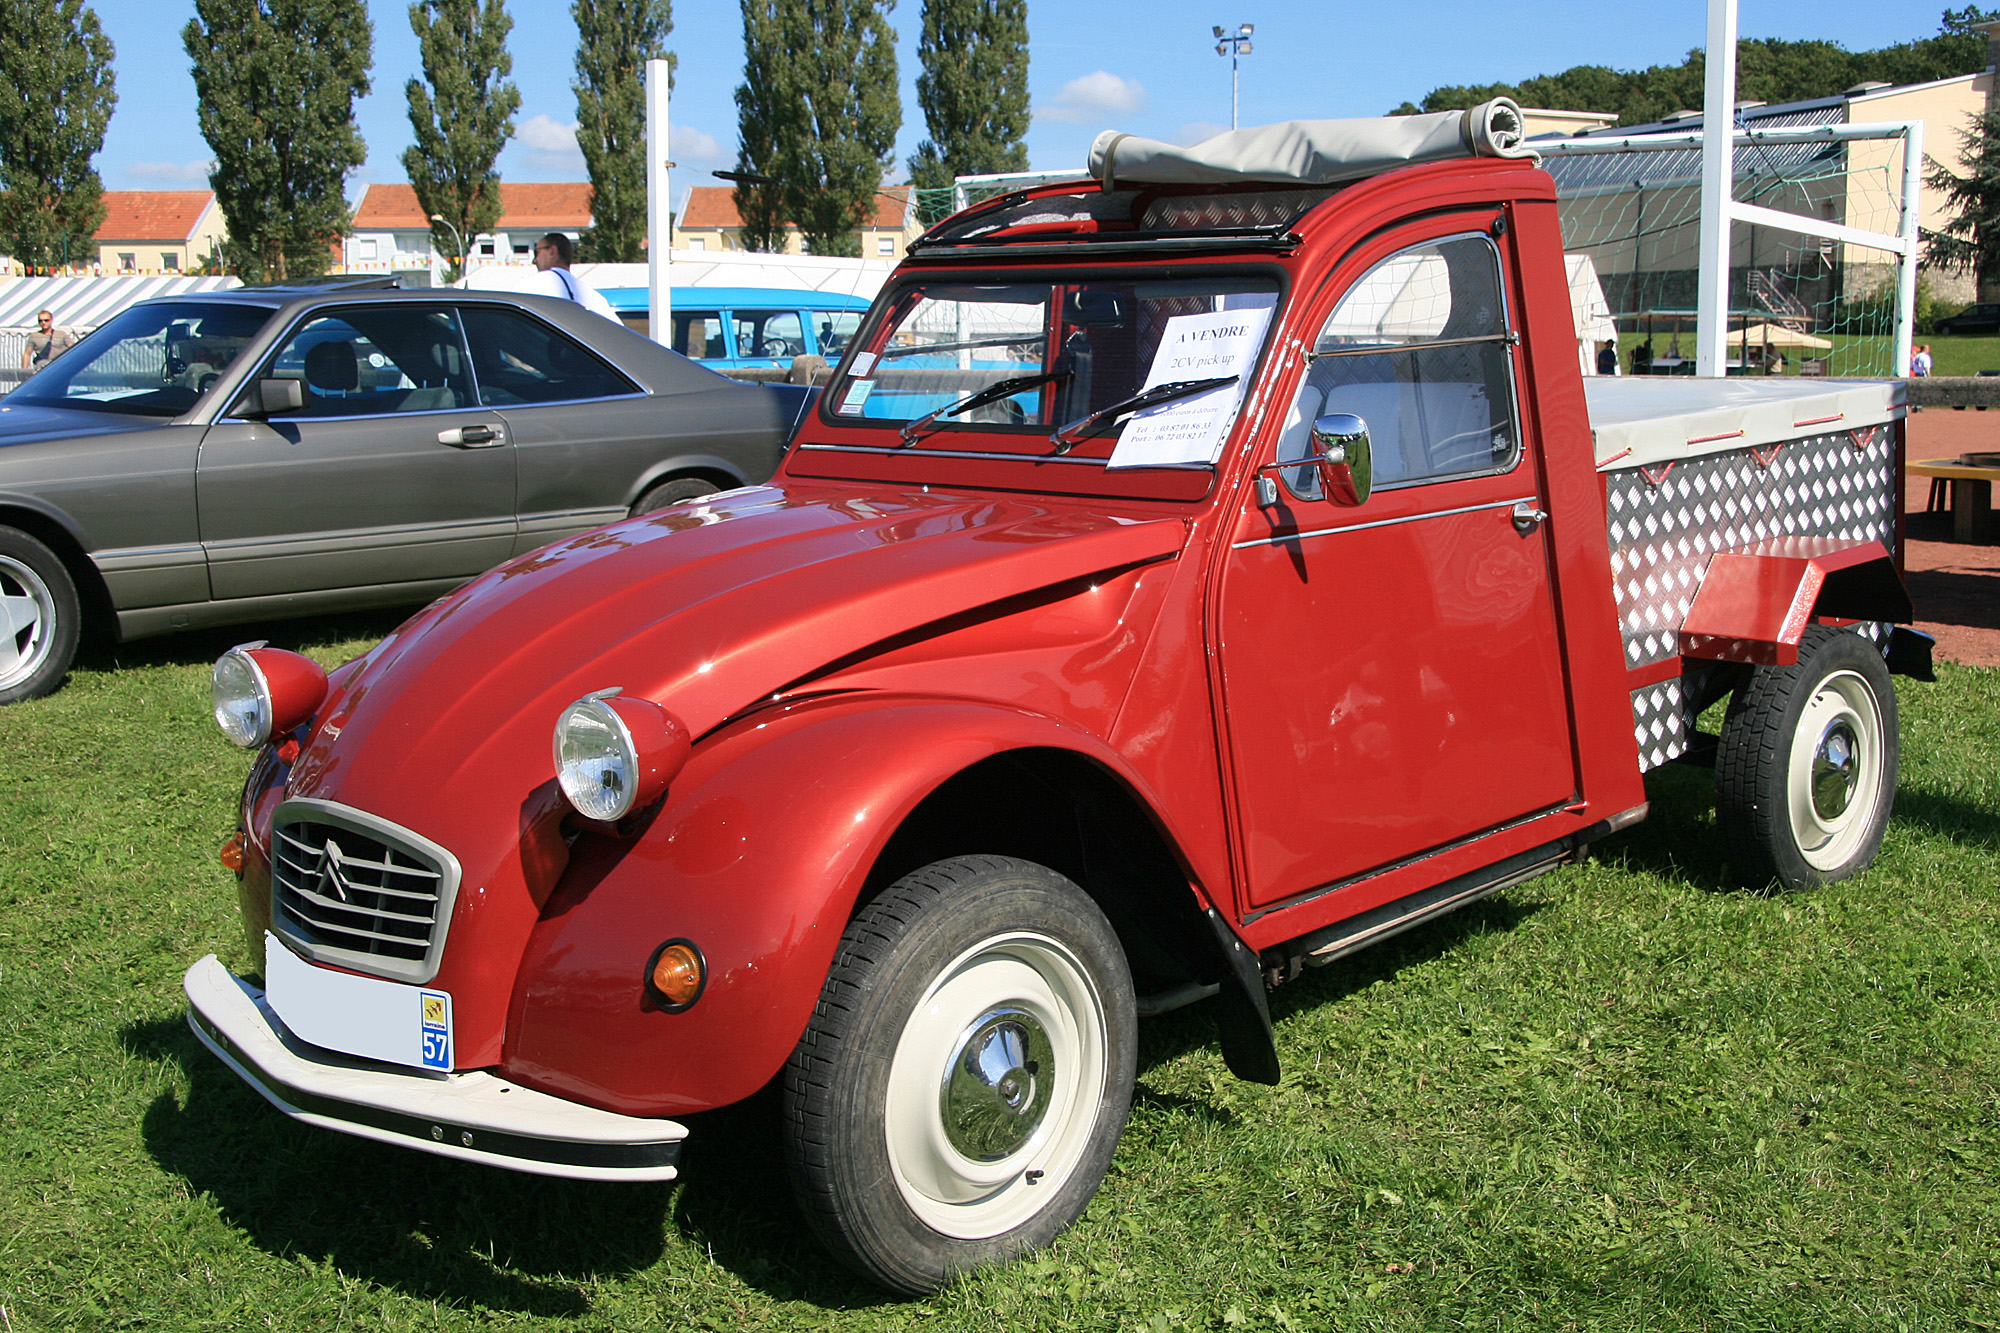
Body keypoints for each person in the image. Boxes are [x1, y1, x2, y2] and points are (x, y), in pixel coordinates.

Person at [528, 232, 618, 322]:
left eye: (537, 253)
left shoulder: (532, 285)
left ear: (552, 251)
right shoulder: (594, 298)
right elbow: (617, 331)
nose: (535, 260)